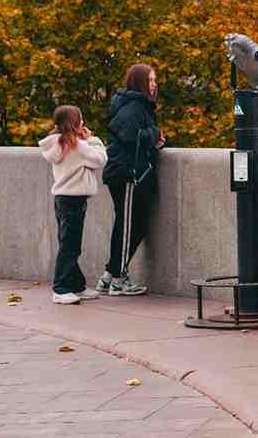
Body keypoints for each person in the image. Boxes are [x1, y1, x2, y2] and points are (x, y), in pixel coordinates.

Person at [98, 64, 164, 296]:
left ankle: (110, 275)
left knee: (130, 226)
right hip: (127, 174)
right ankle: (118, 279)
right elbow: (129, 135)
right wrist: (155, 134)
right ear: (139, 82)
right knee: (128, 228)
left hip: (127, 172)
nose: (154, 84)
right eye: (151, 80)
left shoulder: (133, 103)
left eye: (155, 80)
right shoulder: (135, 105)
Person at [39, 105, 108, 305]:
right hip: (74, 200)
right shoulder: (78, 145)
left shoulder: (59, 144)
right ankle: (60, 288)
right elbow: (100, 158)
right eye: (81, 119)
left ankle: (76, 285)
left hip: (62, 198)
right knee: (70, 246)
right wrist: (92, 139)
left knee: (69, 243)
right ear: (75, 123)